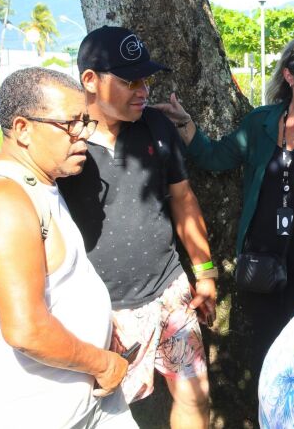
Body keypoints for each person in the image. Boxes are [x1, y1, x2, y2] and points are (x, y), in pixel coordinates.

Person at [159, 32, 294, 381]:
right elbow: (215, 157)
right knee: (265, 354)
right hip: (260, 260)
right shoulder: (260, 122)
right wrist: (185, 124)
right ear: (289, 76)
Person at [0, 67, 135, 428]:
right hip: (27, 412)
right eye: (71, 125)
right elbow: (26, 329)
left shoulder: (39, 183)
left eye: (85, 122)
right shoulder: (3, 201)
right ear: (22, 129)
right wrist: (103, 363)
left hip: (79, 400)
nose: (82, 136)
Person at [57, 26, 216, 428]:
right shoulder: (62, 144)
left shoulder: (156, 127)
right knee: (104, 414)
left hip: (171, 292)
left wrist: (205, 272)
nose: (143, 90)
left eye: (146, 79)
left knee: (195, 395)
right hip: (101, 310)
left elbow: (183, 199)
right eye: (131, 80)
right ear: (90, 80)